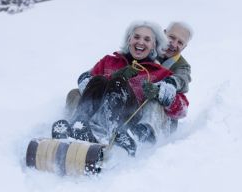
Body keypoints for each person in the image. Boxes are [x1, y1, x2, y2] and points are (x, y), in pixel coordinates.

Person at [52, 21, 189, 156]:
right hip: (96, 116)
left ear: (154, 45)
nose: (140, 42)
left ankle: (118, 138)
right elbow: (84, 79)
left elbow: (182, 109)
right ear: (129, 39)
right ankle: (77, 126)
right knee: (96, 81)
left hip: (127, 123)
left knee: (119, 83)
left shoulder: (160, 73)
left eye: (147, 39)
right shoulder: (109, 61)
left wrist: (161, 93)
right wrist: (108, 79)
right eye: (136, 37)